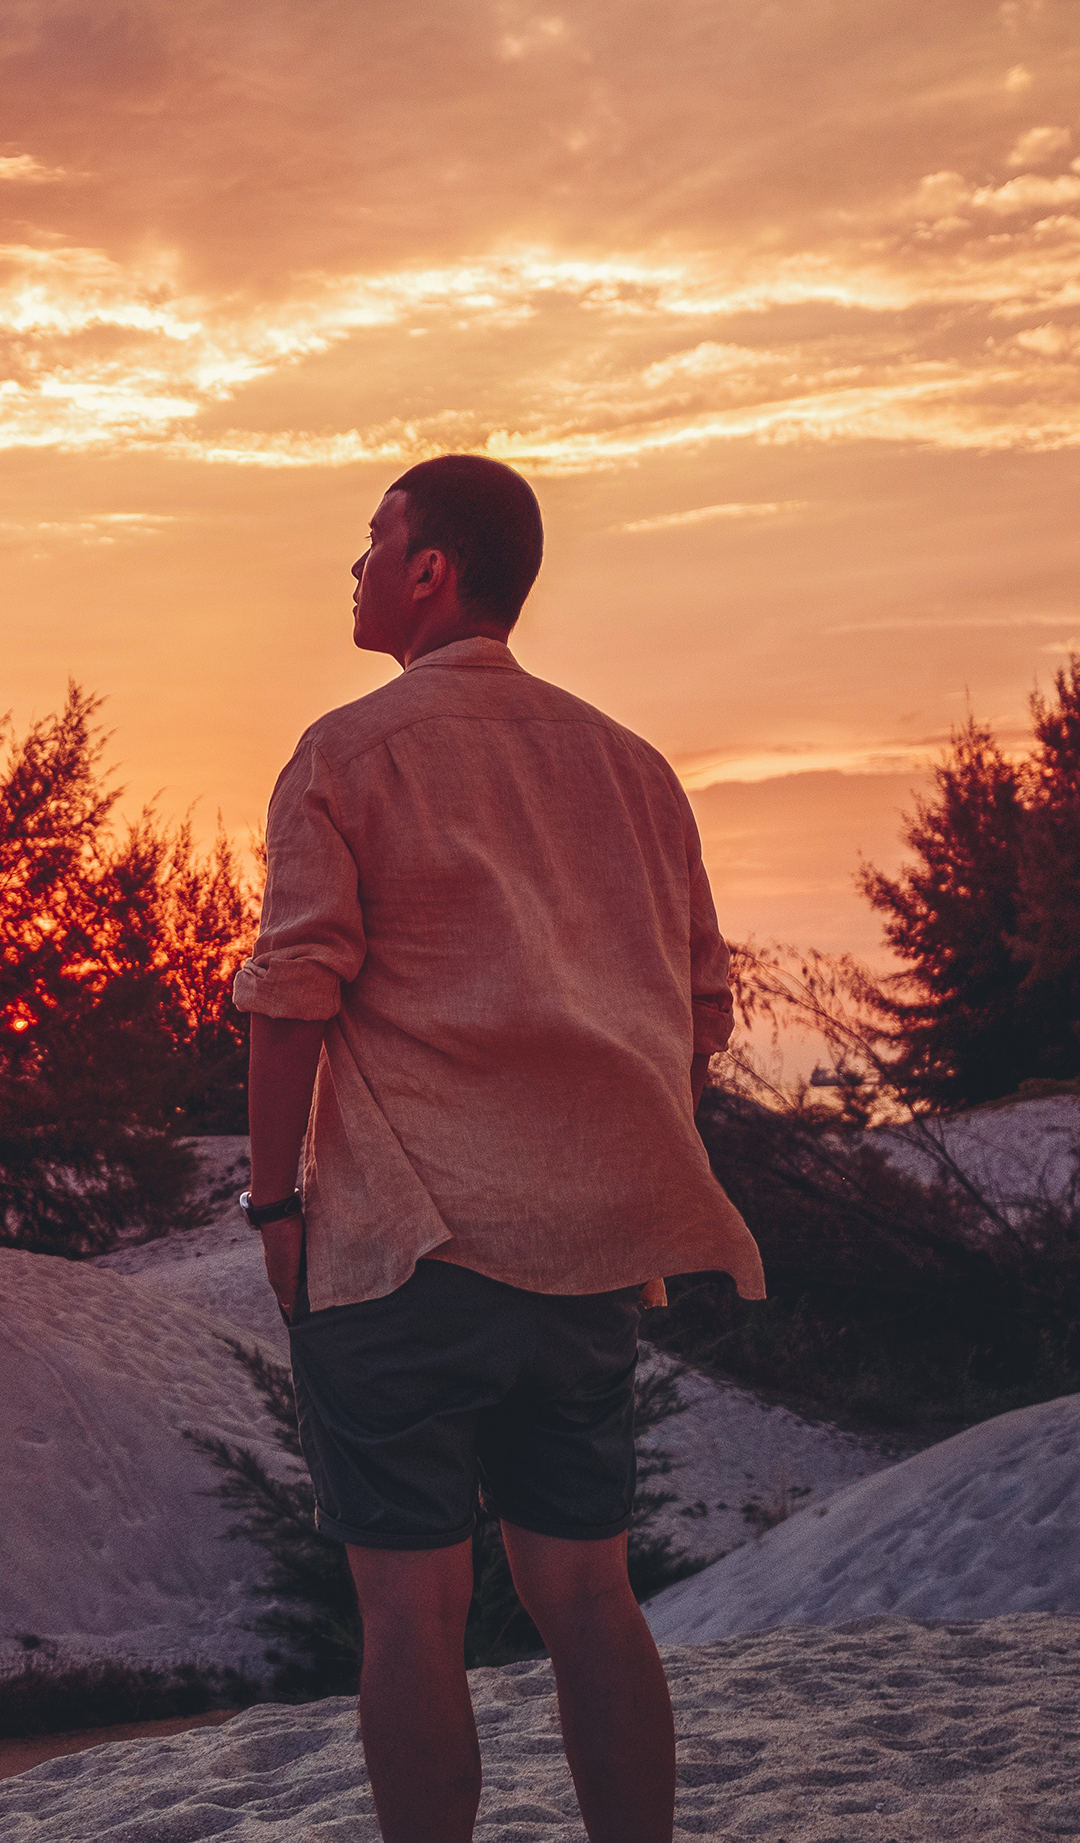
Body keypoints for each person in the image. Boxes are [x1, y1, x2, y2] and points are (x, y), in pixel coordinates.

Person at [230, 454, 764, 1843]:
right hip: (588, 1256)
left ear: (430, 571)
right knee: (590, 1594)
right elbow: (700, 1013)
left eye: (373, 541)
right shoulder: (634, 769)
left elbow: (292, 1000)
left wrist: (274, 1206)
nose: (354, 568)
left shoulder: (347, 755)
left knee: (415, 1612)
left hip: (408, 1248)